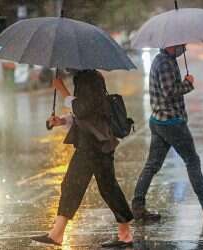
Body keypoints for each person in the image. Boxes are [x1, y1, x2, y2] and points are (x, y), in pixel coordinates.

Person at [31, 70, 133, 248]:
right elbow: (88, 113)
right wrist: (61, 121)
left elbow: (82, 109)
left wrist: (62, 90)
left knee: (104, 188)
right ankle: (57, 233)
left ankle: (125, 234)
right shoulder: (85, 78)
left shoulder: (90, 78)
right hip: (92, 143)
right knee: (79, 185)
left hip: (96, 144)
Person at [132, 44, 203, 222]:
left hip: (159, 120)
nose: (184, 47)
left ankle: (138, 206)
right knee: (192, 161)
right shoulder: (164, 63)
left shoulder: (164, 60)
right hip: (171, 123)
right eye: (181, 45)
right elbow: (169, 92)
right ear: (172, 45)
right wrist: (188, 83)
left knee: (152, 165)